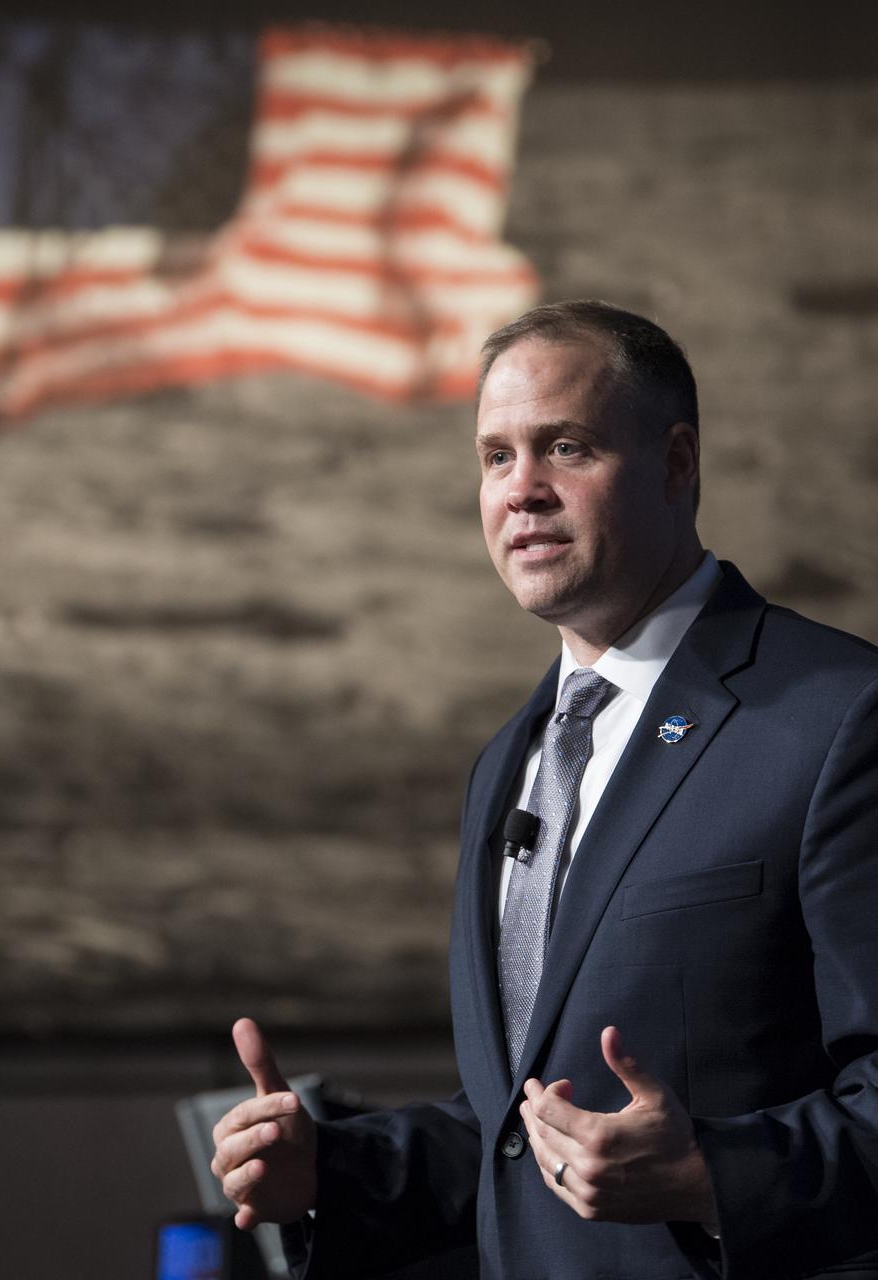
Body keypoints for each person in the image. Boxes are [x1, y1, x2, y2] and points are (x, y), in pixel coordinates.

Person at [210, 302, 878, 1280]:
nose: (519, 490)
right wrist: (330, 1167)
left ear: (675, 461)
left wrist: (709, 1175)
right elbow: (515, 1120)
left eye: (563, 447)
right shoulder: (510, 757)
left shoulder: (835, 717)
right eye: (493, 457)